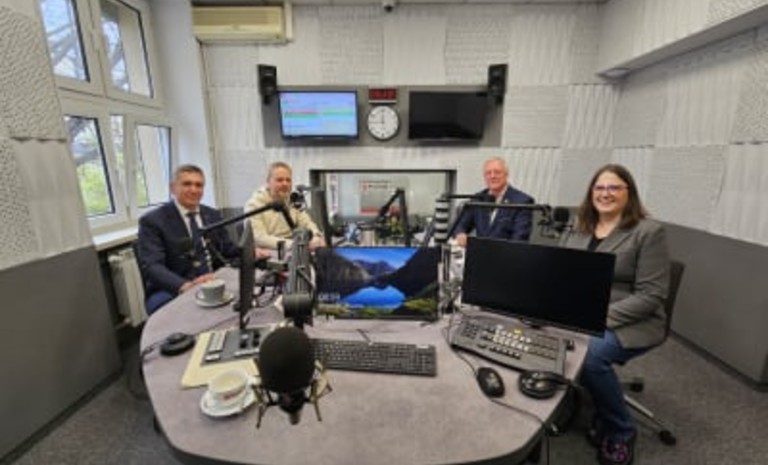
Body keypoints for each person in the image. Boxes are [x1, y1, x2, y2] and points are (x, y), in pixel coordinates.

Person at [563, 164, 670, 465]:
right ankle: (573, 397)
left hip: (631, 320)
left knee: (590, 356)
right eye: (599, 188)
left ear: (628, 192)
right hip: (579, 313)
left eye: (614, 187)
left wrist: (595, 318)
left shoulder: (648, 232)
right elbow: (563, 269)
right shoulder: (579, 226)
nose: (605, 193)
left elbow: (652, 295)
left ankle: (620, 430)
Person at [138, 164, 239, 314]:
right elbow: (153, 266)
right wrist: (185, 285)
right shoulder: (152, 221)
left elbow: (227, 248)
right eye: (187, 184)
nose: (194, 190)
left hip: (212, 280)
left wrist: (251, 251)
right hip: (172, 288)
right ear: (173, 188)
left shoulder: (212, 215)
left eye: (199, 185)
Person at [453, 157, 534, 247]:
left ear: (506, 175)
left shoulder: (522, 201)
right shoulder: (478, 199)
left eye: (497, 172)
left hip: (507, 254)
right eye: (488, 173)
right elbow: (460, 226)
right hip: (480, 253)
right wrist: (460, 234)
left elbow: (519, 239)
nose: (492, 176)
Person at [244, 162, 325, 250]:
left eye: (288, 180)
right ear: (268, 182)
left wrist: (316, 236)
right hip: (271, 251)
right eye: (279, 180)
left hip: (294, 249)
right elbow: (259, 238)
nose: (285, 184)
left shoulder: (292, 201)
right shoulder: (254, 205)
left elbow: (306, 223)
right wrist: (294, 245)